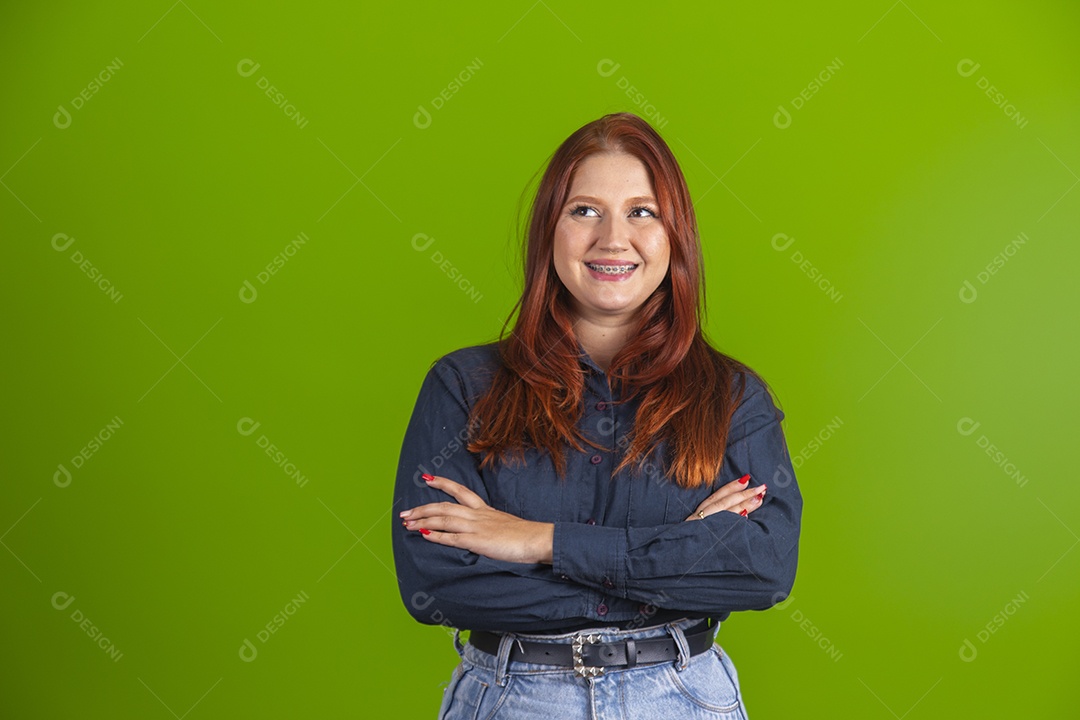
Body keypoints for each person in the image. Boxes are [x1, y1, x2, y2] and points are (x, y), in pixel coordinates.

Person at [392, 111, 802, 719]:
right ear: (548, 231)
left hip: (683, 700)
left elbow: (763, 569)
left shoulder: (732, 396)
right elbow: (436, 584)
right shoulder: (463, 386)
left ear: (675, 236)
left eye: (643, 212)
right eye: (585, 210)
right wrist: (675, 555)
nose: (613, 239)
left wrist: (536, 541)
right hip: (511, 700)